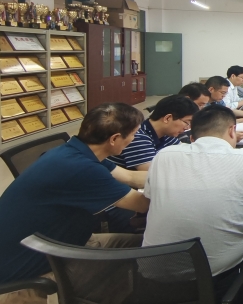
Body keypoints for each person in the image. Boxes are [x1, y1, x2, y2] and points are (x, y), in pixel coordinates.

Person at [0, 104, 149, 303]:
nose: (134, 139)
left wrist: (173, 172)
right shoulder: (82, 168)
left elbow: (130, 177)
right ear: (114, 139)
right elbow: (143, 204)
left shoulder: (78, 152)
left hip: (64, 241)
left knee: (143, 245)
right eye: (133, 134)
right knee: (147, 254)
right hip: (26, 270)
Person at [143, 105, 243, 300]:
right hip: (218, 278)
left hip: (154, 277)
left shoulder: (163, 156)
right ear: (232, 130)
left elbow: (152, 198)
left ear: (192, 137)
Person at [109, 95, 198, 171]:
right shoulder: (137, 137)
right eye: (187, 122)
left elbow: (187, 152)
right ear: (167, 118)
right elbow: (152, 174)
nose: (188, 127)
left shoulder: (166, 134)